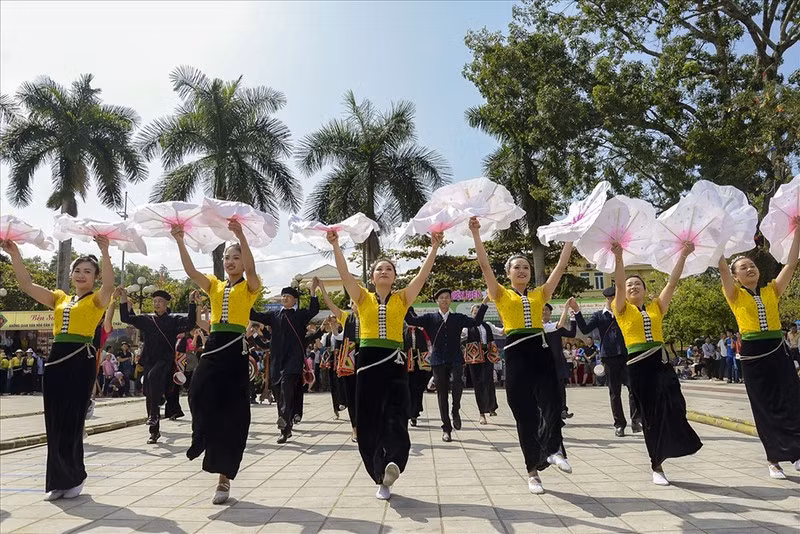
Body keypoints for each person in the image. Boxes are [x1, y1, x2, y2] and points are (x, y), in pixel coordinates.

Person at [327, 228, 442, 500]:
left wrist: (434, 247)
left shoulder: (402, 298)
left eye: (389, 269)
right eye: (380, 269)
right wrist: (336, 246)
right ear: (372, 276)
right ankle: (379, 475)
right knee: (368, 422)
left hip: (394, 362)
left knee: (396, 415)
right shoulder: (362, 298)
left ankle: (393, 462)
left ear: (394, 276)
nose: (384, 272)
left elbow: (422, 276)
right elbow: (345, 275)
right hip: (367, 364)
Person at [2, 236, 113, 500]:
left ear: (95, 277)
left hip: (80, 360)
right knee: (53, 422)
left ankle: (75, 477)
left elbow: (109, 285)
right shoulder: (59, 298)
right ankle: (57, 480)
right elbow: (26, 285)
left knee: (73, 421)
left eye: (88, 271)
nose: (81, 275)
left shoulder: (96, 301)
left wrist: (105, 251)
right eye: (77, 270)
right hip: (56, 360)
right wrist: (15, 254)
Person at [470, 216, 573, 495]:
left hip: (539, 354)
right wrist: (476, 234)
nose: (523, 270)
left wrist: (569, 240)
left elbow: (561, 267)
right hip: (516, 356)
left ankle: (555, 450)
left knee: (552, 401)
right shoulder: (500, 294)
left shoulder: (540, 294)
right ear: (509, 273)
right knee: (525, 414)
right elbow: (483, 265)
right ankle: (532, 472)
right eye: (517, 267)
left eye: (526, 266)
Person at [172, 219, 261, 505]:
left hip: (236, 350)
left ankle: (224, 479)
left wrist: (240, 236)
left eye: (236, 257)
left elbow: (251, 269)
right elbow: (189, 271)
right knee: (197, 392)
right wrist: (180, 240)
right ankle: (200, 435)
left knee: (233, 415)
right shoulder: (213, 285)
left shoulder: (250, 287)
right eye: (227, 257)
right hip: (213, 346)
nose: (232, 261)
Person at [612, 241, 702, 486]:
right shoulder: (620, 309)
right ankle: (657, 465)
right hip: (639, 367)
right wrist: (619, 257)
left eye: (637, 284)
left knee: (676, 404)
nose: (632, 287)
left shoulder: (656, 307)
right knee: (650, 417)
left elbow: (672, 283)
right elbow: (618, 284)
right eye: (630, 285)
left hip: (661, 364)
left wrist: (683, 255)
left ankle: (678, 441)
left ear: (644, 289)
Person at [717, 216, 800, 480]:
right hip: (753, 354)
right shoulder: (735, 295)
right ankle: (773, 459)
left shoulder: (771, 290)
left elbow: (791, 262)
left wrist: (797, 230)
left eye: (751, 265)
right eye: (743, 267)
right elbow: (723, 271)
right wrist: (718, 246)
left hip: (777, 349)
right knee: (763, 405)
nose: (749, 269)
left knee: (791, 400)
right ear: (736, 276)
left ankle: (796, 452)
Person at [404, 289, 488, 442]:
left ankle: (455, 410)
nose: (444, 300)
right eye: (441, 298)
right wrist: (402, 302)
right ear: (437, 301)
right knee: (441, 394)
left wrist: (484, 303)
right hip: (437, 360)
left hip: (455, 357)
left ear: (451, 300)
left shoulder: (458, 318)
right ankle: (446, 428)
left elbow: (476, 322)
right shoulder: (430, 318)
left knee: (457, 384)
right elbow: (411, 321)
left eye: (447, 297)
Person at [118, 287, 196, 443]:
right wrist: (123, 298)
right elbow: (126, 317)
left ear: (167, 303)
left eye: (160, 301)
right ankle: (154, 432)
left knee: (154, 377)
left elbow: (190, 323)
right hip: (149, 360)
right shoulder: (147, 319)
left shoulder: (174, 319)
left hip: (165, 360)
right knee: (148, 392)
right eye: (154, 301)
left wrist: (192, 303)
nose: (157, 303)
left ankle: (154, 414)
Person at [250, 282, 320, 444]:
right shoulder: (274, 315)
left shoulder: (300, 315)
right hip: (276, 361)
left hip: (293, 361)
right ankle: (285, 426)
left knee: (286, 392)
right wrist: (249, 297)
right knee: (278, 394)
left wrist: (312, 292)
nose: (284, 298)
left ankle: (283, 426)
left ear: (295, 300)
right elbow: (254, 315)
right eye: (283, 296)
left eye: (287, 296)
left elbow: (314, 310)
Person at [572, 289, 642, 437]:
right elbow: (584, 329)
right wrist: (577, 311)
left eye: (616, 298)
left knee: (633, 388)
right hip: (609, 357)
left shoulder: (626, 313)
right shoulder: (599, 315)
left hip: (627, 354)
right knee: (614, 392)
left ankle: (636, 420)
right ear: (607, 299)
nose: (613, 301)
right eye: (610, 298)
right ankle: (619, 424)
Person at [316, 279, 360, 441]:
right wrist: (322, 289)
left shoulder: (371, 316)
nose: (356, 305)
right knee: (351, 395)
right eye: (353, 302)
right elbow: (339, 334)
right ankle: (355, 428)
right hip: (349, 361)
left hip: (368, 359)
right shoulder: (347, 318)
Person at [461, 303, 502, 425]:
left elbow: (501, 332)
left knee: (488, 380)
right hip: (474, 357)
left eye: (479, 312)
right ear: (472, 313)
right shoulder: (467, 327)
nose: (477, 314)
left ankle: (491, 406)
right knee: (478, 382)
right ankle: (481, 413)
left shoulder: (487, 325)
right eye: (474, 312)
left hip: (487, 354)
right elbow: (458, 336)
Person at [543, 301, 576, 420]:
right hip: (543, 362)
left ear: (551, 313)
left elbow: (572, 334)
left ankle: (562, 409)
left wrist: (573, 318)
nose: (544, 312)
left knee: (560, 387)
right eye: (542, 310)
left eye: (546, 310)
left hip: (557, 362)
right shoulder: (537, 327)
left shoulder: (557, 327)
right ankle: (547, 411)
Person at [404, 323, 431, 429]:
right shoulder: (404, 331)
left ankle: (414, 413)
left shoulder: (421, 331)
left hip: (420, 364)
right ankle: (408, 412)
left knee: (418, 388)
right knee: (407, 387)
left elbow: (428, 345)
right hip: (407, 364)